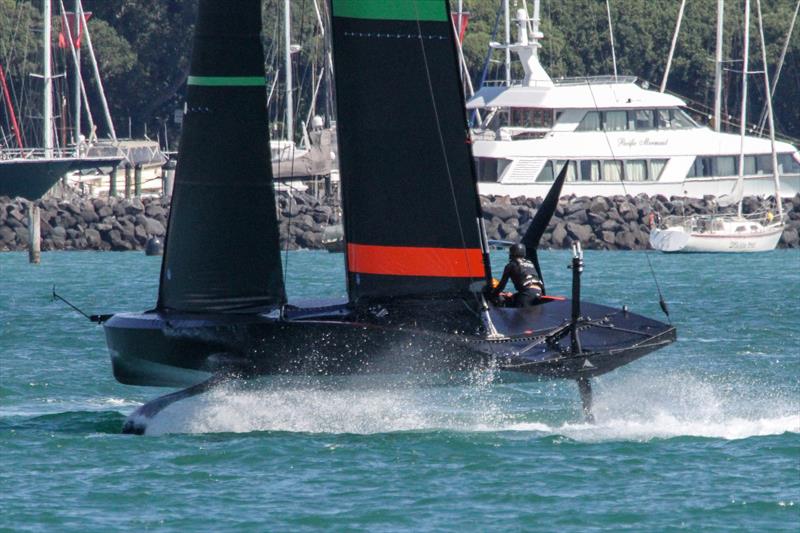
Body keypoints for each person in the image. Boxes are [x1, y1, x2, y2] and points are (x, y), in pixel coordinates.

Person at [490, 243, 543, 307]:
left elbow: (502, 285)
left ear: (512, 253)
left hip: (527, 294)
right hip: (538, 292)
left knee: (520, 316)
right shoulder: (530, 263)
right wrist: (515, 295)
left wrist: (493, 295)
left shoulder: (511, 265)